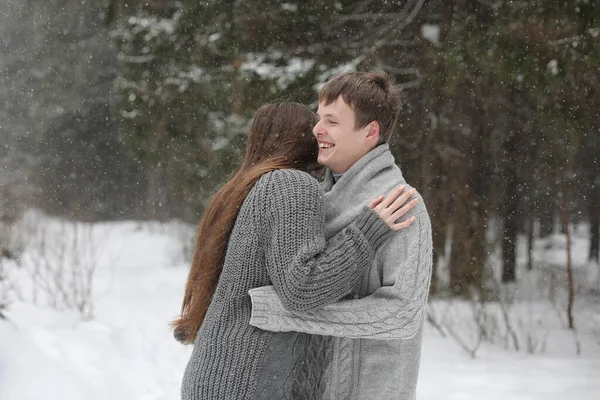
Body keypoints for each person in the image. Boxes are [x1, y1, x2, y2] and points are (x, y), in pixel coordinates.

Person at [172, 101, 418, 399]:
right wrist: (367, 230)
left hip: (218, 379)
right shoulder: (292, 184)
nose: (322, 132)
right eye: (317, 125)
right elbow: (301, 287)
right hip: (244, 385)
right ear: (303, 136)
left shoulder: (251, 184)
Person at [249, 72, 433, 400]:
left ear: (370, 131)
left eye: (331, 121)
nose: (317, 129)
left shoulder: (401, 205)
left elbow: (401, 315)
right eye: (319, 118)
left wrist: (285, 311)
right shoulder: (314, 197)